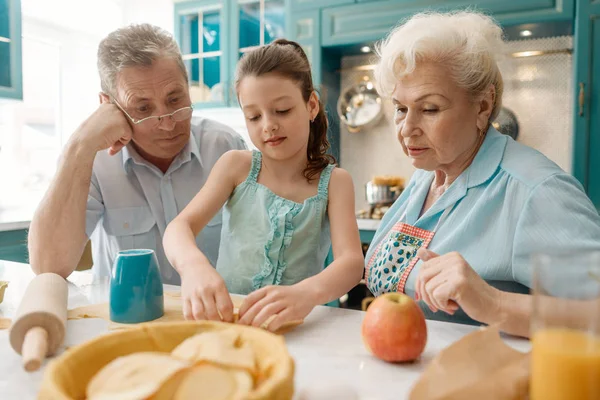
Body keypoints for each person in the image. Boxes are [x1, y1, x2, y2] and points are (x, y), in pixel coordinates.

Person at [364, 11, 600, 337]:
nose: (407, 129)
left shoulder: (535, 192)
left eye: (430, 108)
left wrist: (493, 303)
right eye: (401, 109)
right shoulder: (428, 175)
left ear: (483, 106)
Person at [163, 39, 364, 332]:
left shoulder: (335, 182)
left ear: (311, 106)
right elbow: (178, 228)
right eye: (253, 116)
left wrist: (307, 294)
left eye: (281, 110)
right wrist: (193, 266)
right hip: (231, 324)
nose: (267, 125)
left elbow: (351, 263)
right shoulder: (236, 166)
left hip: (304, 329)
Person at [28, 24, 246, 284]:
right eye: (143, 108)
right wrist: (79, 146)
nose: (167, 123)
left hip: (216, 318)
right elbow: (49, 265)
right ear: (108, 106)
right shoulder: (93, 161)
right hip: (124, 318)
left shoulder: (225, 147)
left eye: (175, 100)